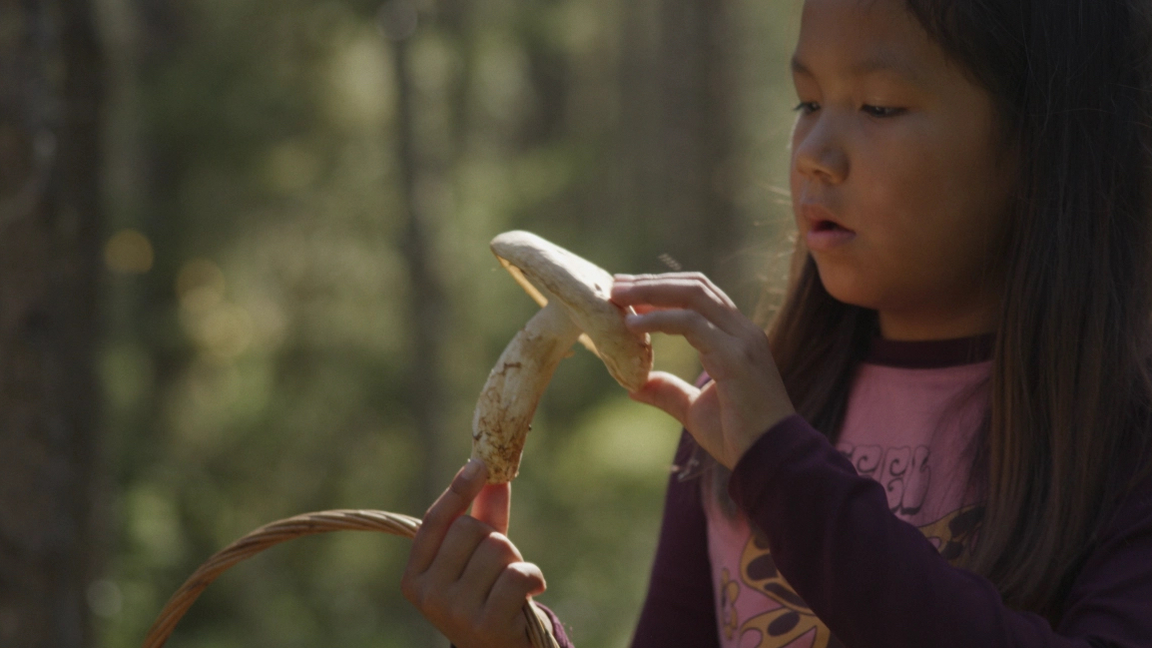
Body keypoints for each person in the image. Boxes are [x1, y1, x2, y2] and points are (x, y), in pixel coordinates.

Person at [401, 0, 1152, 645]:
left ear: (1042, 141)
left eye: (880, 107)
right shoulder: (739, 407)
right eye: (807, 103)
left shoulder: (1121, 427)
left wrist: (785, 468)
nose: (816, 154)